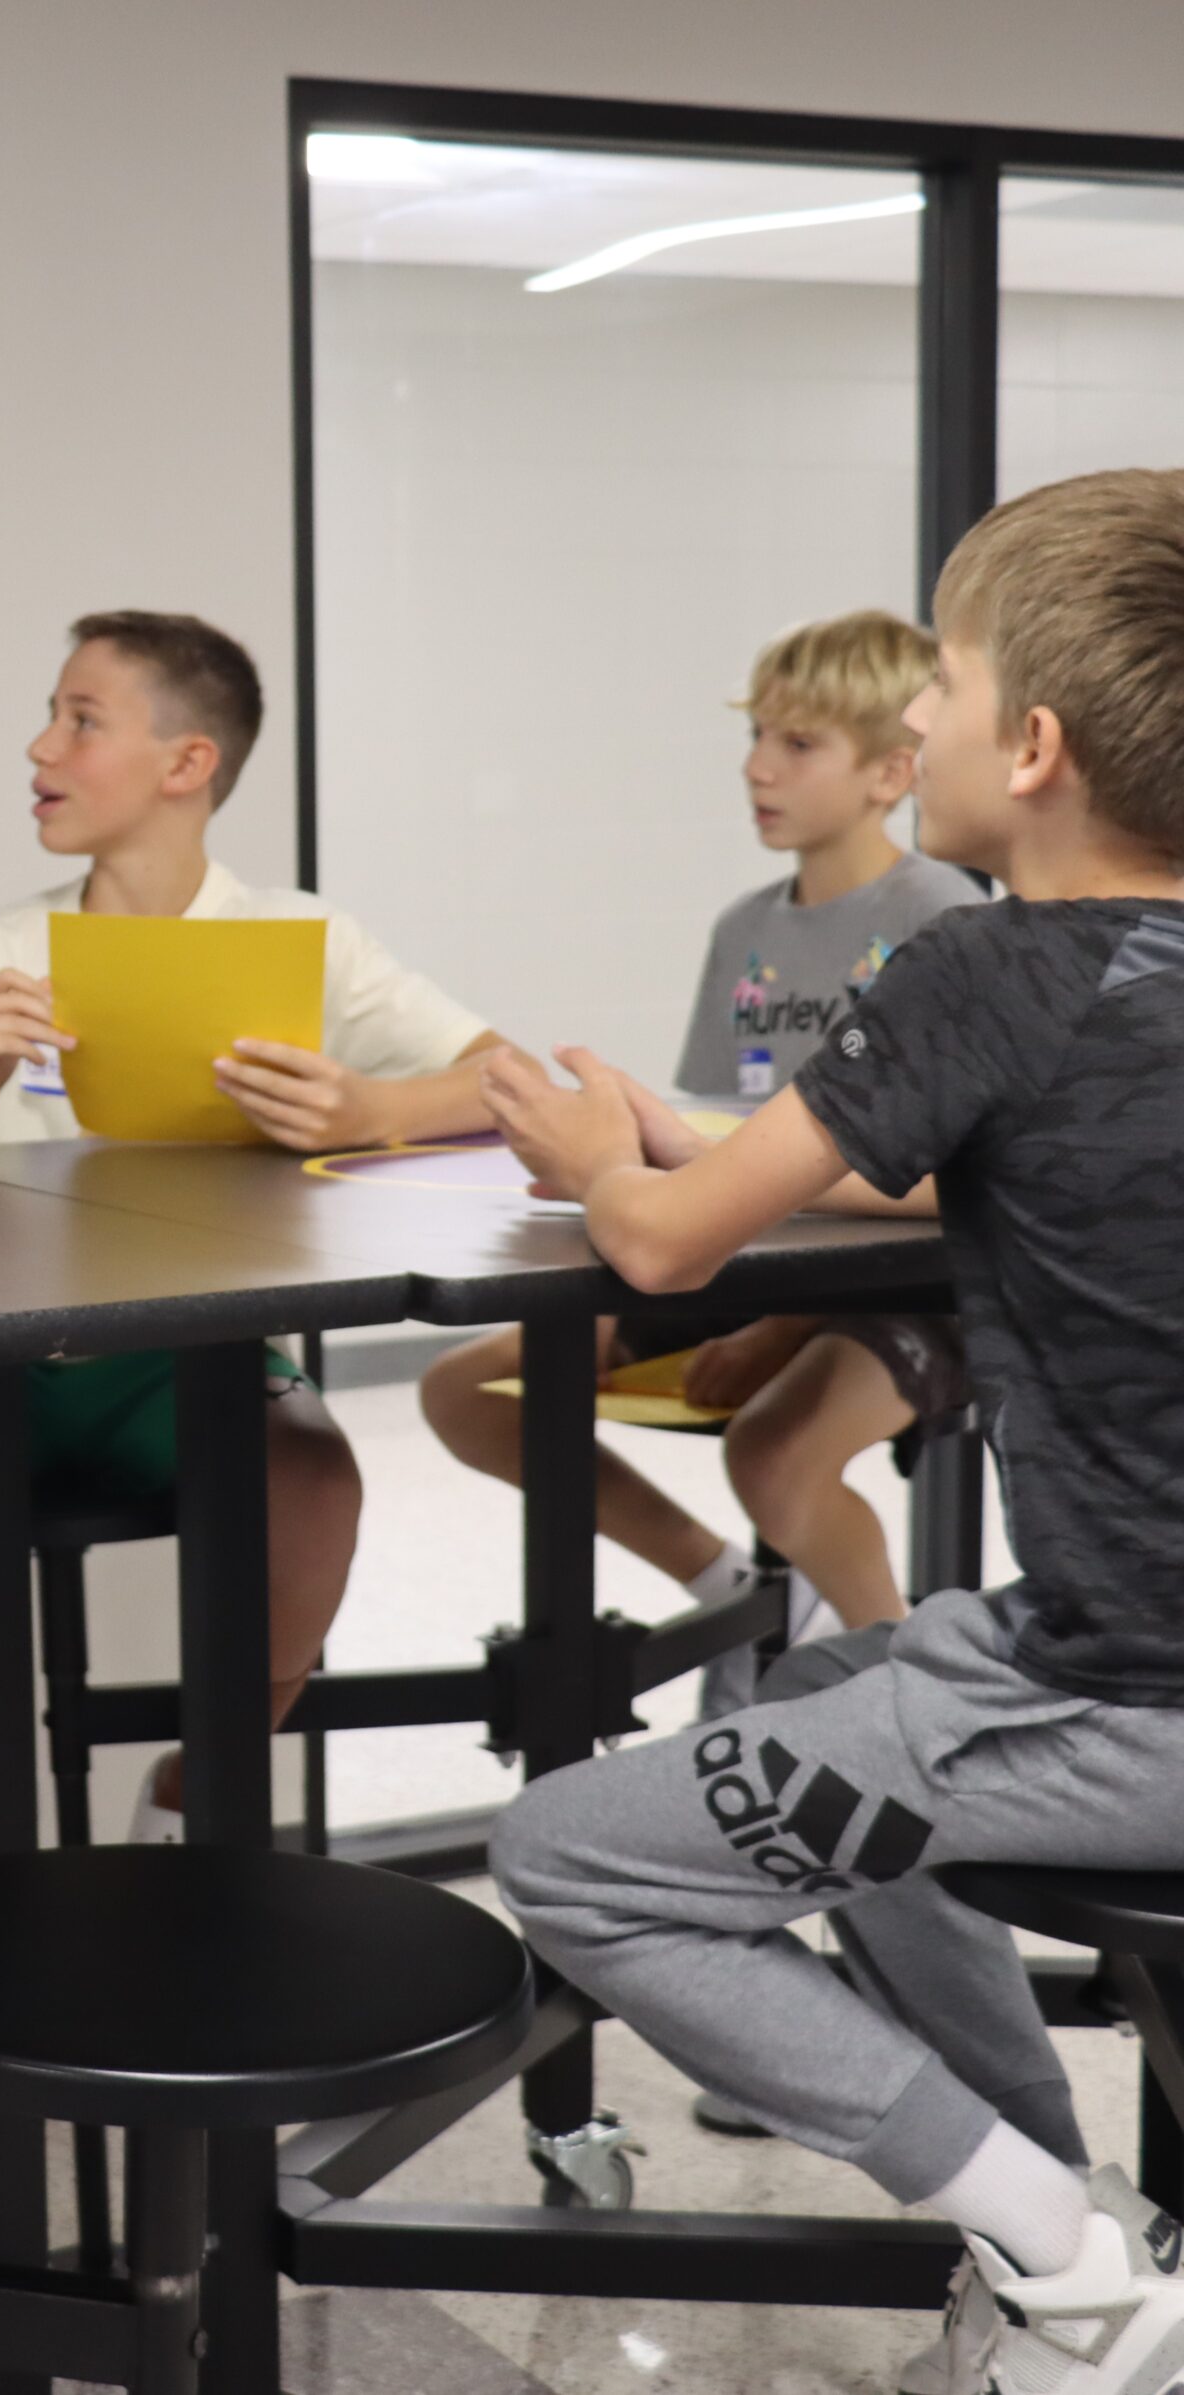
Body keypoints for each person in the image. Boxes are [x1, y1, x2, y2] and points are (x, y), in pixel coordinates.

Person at [485, 468, 1184, 2395]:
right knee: (825, 1698)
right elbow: (949, 1160)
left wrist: (590, 1152)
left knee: (569, 1853)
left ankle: (1064, 2265)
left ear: (1029, 748)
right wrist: (717, 1133)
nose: (907, 737)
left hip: (1131, 1705)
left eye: (937, 699)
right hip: (1111, 1680)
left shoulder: (980, 965)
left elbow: (656, 1239)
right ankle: (1064, 2187)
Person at [0, 610, 507, 1855]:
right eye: (51, 715)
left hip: (196, 1361)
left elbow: (502, 1081)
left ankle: (193, 1791)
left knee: (318, 1497)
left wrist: (368, 1105)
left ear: (186, 762)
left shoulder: (301, 942)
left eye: (80, 718)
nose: (38, 745)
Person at [420, 610, 980, 1717]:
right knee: (463, 1392)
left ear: (890, 772)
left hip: (907, 1289)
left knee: (774, 1451)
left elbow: (950, 1177)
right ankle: (726, 1585)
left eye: (797, 744)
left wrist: (771, 1329)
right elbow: (707, 1136)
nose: (757, 768)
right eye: (757, 736)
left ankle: (903, 1694)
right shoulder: (744, 928)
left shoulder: (943, 916)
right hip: (737, 1262)